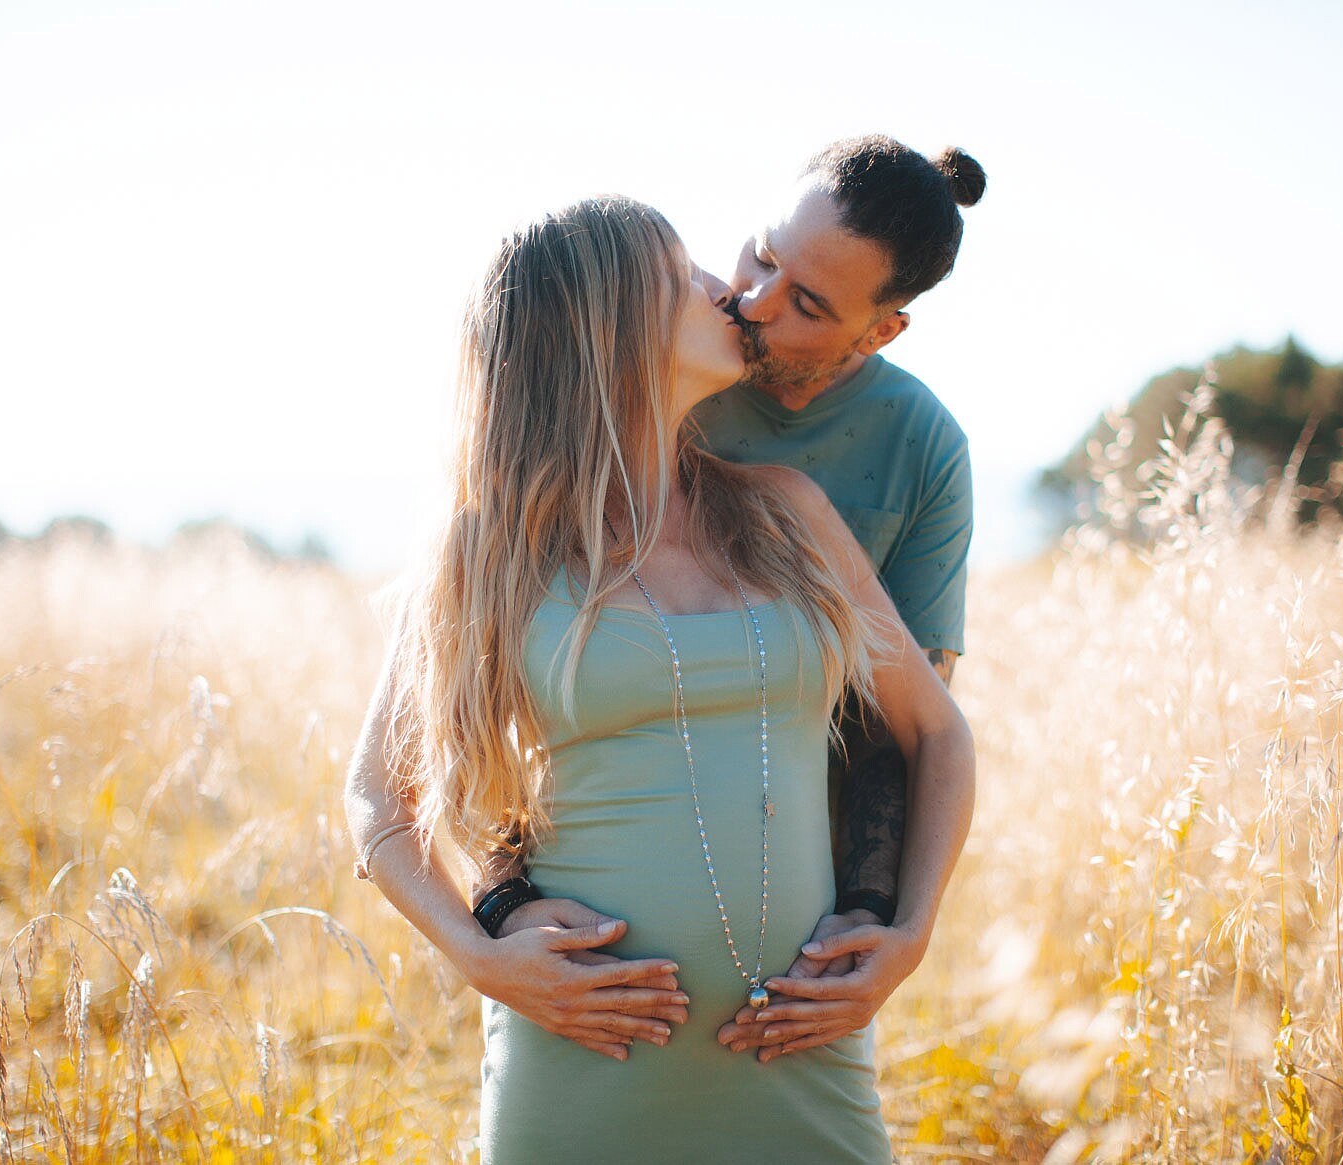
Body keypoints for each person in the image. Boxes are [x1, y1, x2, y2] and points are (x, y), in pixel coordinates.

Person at [344, 196, 975, 1162]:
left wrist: (909, 933)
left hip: (801, 1047)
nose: (729, 291)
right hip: (584, 1051)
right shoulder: (489, 548)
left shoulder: (787, 514)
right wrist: (485, 958)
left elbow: (935, 732)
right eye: (684, 276)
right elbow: (379, 797)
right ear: (608, 325)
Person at [481, 136, 985, 1064]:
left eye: (807, 303)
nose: (751, 300)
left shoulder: (921, 448)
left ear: (876, 333)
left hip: (796, 921)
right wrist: (496, 905)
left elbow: (903, 722)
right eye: (761, 254)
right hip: (585, 878)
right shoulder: (673, 360)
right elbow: (487, 691)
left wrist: (883, 926)